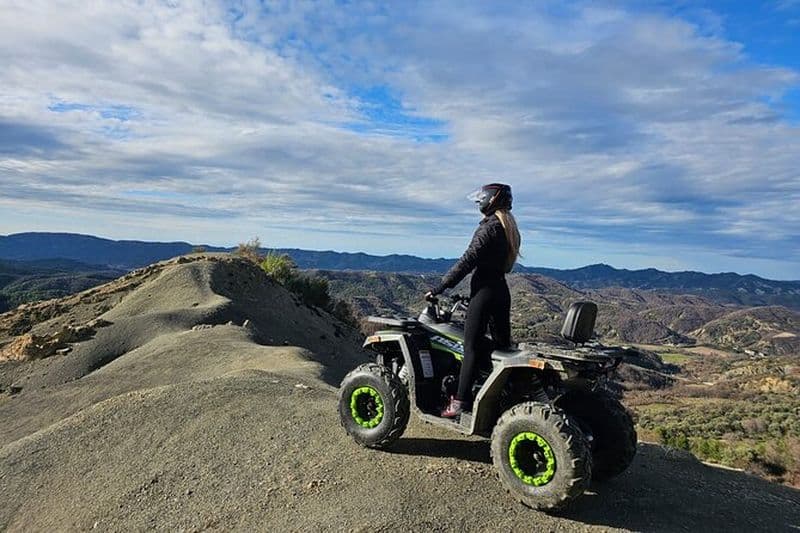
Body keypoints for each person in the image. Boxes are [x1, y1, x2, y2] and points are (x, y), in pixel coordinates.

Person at [425, 183, 521, 418]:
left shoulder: (488, 228)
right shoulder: (508, 228)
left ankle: (459, 402)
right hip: (501, 292)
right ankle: (500, 399)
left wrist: (440, 288)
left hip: (484, 292)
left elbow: (466, 262)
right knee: (501, 349)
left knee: (471, 348)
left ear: (491, 200)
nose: (479, 203)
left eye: (481, 199)